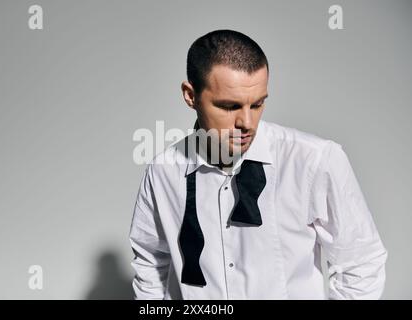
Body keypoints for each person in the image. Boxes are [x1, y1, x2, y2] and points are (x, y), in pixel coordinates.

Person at [128, 29, 387, 299]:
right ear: (190, 96)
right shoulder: (163, 172)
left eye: (257, 104)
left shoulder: (314, 160)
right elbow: (151, 266)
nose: (247, 124)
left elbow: (361, 263)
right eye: (229, 106)